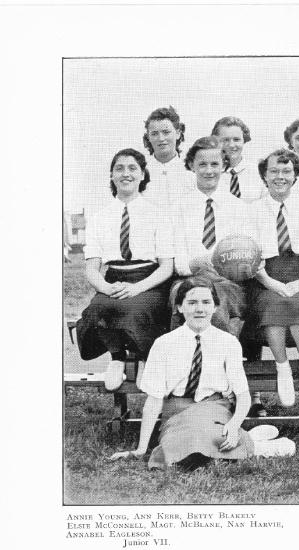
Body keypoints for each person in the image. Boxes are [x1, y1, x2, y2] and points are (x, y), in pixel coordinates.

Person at [109, 277, 296, 469]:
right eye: (192, 303)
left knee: (207, 439)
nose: (200, 309)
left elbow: (242, 395)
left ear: (215, 307)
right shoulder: (164, 344)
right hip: (176, 410)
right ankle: (253, 444)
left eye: (206, 302)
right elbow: (154, 401)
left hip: (213, 406)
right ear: (180, 307)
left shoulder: (227, 342)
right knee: (174, 449)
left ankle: (245, 439)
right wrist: (141, 449)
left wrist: (232, 425)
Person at [76, 149, 174, 391]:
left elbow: (167, 267)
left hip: (148, 280)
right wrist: (107, 288)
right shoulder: (100, 217)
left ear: (142, 175)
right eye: (119, 168)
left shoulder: (158, 214)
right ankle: (117, 358)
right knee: (99, 308)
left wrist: (137, 287)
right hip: (114, 279)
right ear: (111, 175)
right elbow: (91, 268)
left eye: (132, 168)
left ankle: (143, 359)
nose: (125, 174)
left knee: (136, 308)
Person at [245, 149, 299, 410]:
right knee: (272, 306)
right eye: (274, 172)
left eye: (287, 171)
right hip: (267, 275)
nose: (280, 177)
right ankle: (283, 369)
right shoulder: (253, 210)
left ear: (296, 175)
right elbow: (249, 255)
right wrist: (271, 283)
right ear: (264, 176)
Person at [169, 136, 253, 337]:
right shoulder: (178, 208)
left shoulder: (238, 208)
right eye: (202, 164)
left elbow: (243, 257)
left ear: (224, 165)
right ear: (192, 165)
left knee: (212, 295)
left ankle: (214, 356)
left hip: (227, 282)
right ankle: (199, 355)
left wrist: (216, 266)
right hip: (188, 278)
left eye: (215, 164)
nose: (209, 171)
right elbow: (177, 259)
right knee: (194, 294)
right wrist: (194, 265)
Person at [141, 106, 191, 209]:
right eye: (154, 134)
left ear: (178, 133)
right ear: (148, 137)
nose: (161, 138)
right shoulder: (141, 172)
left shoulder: (190, 171)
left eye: (166, 132)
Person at [212, 116, 264, 202]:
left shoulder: (258, 173)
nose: (231, 145)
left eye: (236, 139)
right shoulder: (209, 173)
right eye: (225, 140)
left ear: (244, 140)